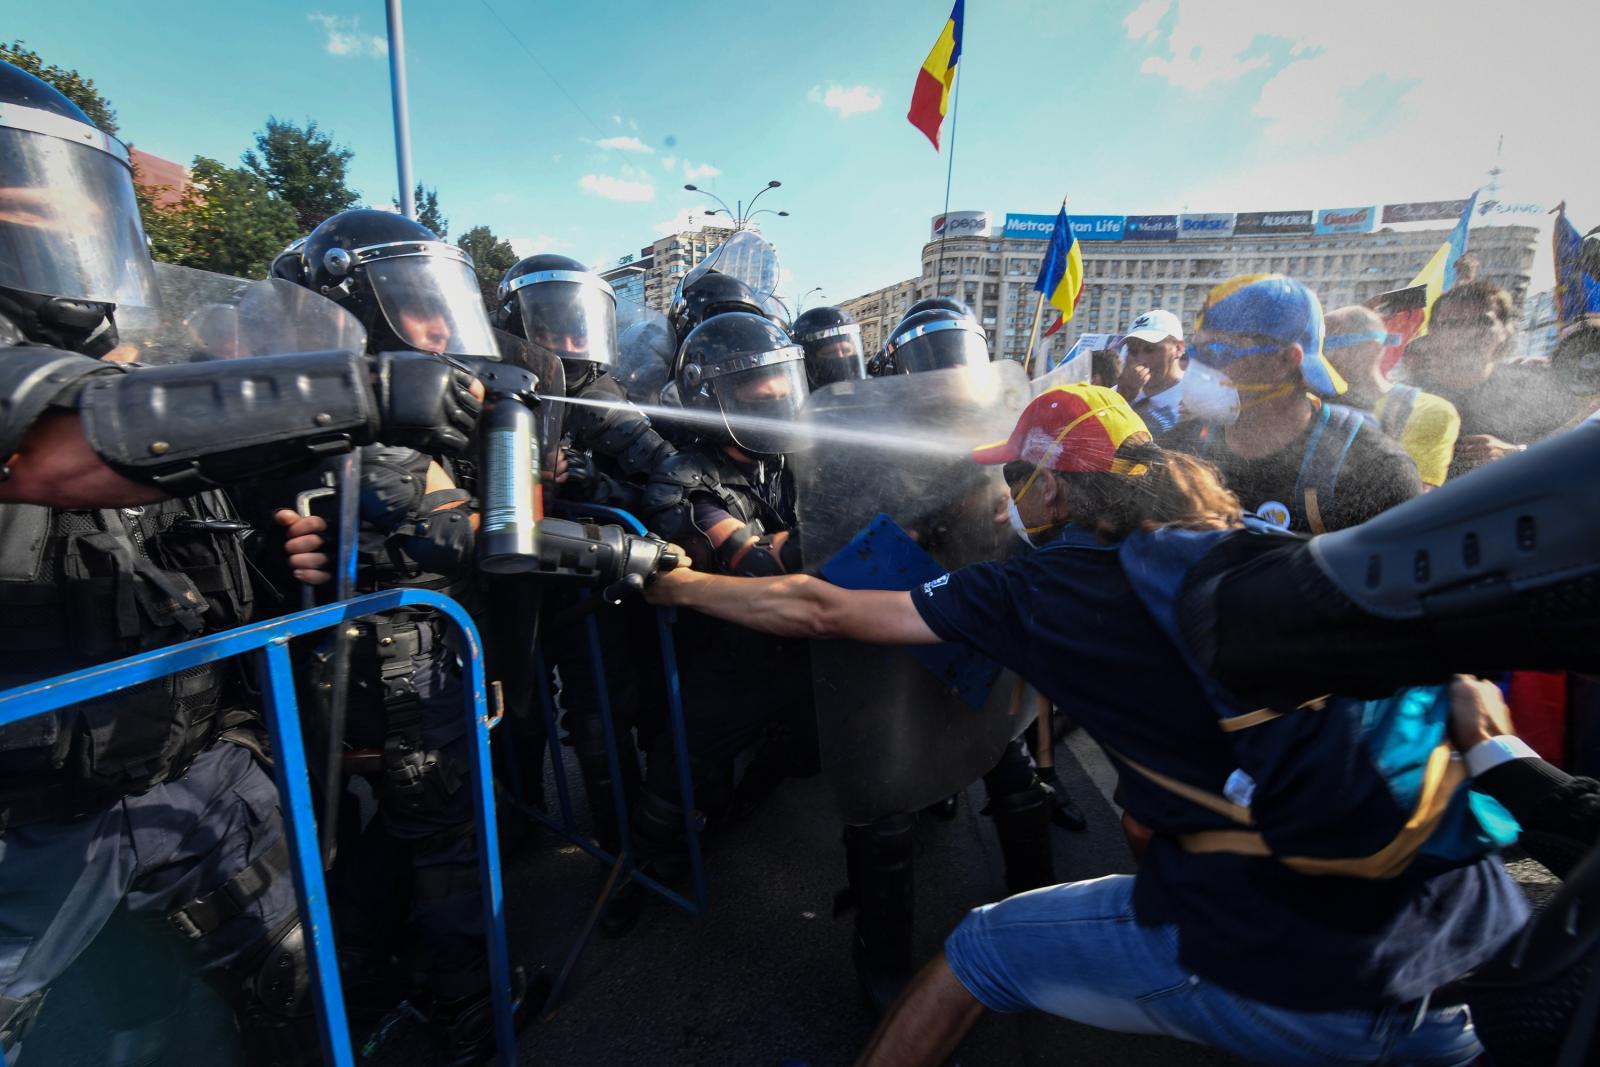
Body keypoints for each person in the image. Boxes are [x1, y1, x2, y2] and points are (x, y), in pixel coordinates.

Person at [646, 382, 1528, 1067]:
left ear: (1054, 489)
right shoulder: (1234, 539)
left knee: (976, 953)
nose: (1005, 495)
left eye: (1015, 477)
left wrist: (670, 580)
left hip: (1302, 970)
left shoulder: (1034, 589)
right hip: (1467, 948)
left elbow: (820, 610)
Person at [0, 61, 481, 1066]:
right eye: (21, 211)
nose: (56, 239)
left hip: (194, 769)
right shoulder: (83, 401)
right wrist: (365, 389)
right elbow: (63, 453)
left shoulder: (142, 377)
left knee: (306, 995)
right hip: (25, 823)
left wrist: (322, 548)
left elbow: (217, 545)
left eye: (70, 211)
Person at [637, 310, 817, 877]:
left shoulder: (792, 459)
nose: (774, 397)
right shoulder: (685, 475)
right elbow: (756, 561)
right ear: (712, 400)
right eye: (752, 389)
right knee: (682, 769)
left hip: (801, 636)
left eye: (780, 384)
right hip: (726, 650)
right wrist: (850, 527)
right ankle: (649, 864)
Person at [1165, 274, 1422, 533]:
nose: (1199, 369)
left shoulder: (1375, 472)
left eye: (1218, 351)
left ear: (1286, 360)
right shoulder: (1178, 451)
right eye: (1196, 352)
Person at [1405, 280, 1574, 475]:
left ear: (1505, 330)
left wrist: (1515, 453)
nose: (1468, 333)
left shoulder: (1539, 388)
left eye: (1482, 322)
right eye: (1452, 324)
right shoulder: (1407, 398)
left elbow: (1578, 454)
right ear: (1433, 333)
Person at [1323, 304, 1461, 488]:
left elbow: (1411, 497)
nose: (1317, 357)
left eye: (1326, 346)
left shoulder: (1429, 411)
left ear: (1370, 347)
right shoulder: (1310, 403)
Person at [1115, 309, 1186, 434]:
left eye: (1150, 349)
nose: (1141, 360)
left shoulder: (1197, 400)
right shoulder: (1116, 394)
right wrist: (1122, 397)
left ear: (1178, 348)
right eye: (1133, 351)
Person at [792, 305, 868, 389]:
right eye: (830, 352)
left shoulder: (871, 393)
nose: (841, 357)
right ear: (810, 360)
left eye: (846, 350)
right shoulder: (802, 400)